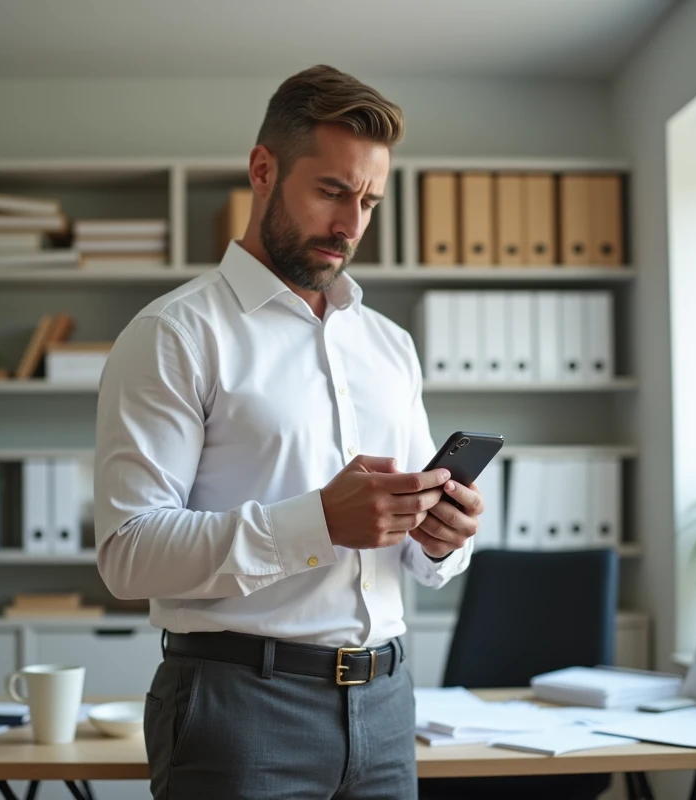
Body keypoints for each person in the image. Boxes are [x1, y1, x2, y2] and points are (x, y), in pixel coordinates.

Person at [93, 64, 484, 800]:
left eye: (369, 200)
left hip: (390, 706)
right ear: (263, 170)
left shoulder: (389, 346)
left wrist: (441, 539)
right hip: (239, 710)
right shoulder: (175, 335)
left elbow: (412, 556)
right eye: (332, 191)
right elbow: (127, 554)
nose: (352, 225)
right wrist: (316, 523)